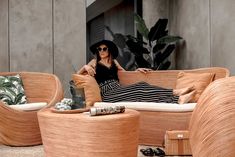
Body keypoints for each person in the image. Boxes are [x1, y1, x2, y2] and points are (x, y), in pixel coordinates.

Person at [77, 40, 191, 103]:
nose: (101, 51)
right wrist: (85, 67)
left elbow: (126, 74)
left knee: (141, 86)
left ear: (109, 50)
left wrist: (137, 70)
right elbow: (77, 76)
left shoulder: (114, 62)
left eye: (104, 49)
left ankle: (178, 99)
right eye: (99, 49)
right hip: (107, 94)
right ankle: (175, 93)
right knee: (139, 91)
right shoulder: (94, 62)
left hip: (118, 89)